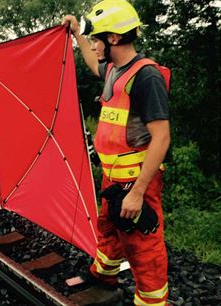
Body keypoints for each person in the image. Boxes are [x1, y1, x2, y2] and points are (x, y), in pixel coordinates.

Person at [62, 0, 171, 305]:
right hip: (113, 180)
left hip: (137, 182)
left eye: (96, 39)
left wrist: (137, 193)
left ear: (112, 38)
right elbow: (90, 61)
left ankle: (152, 301)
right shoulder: (113, 69)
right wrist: (76, 35)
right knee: (108, 230)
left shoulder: (146, 76)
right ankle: (104, 276)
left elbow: (161, 139)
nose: (94, 46)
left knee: (143, 247)